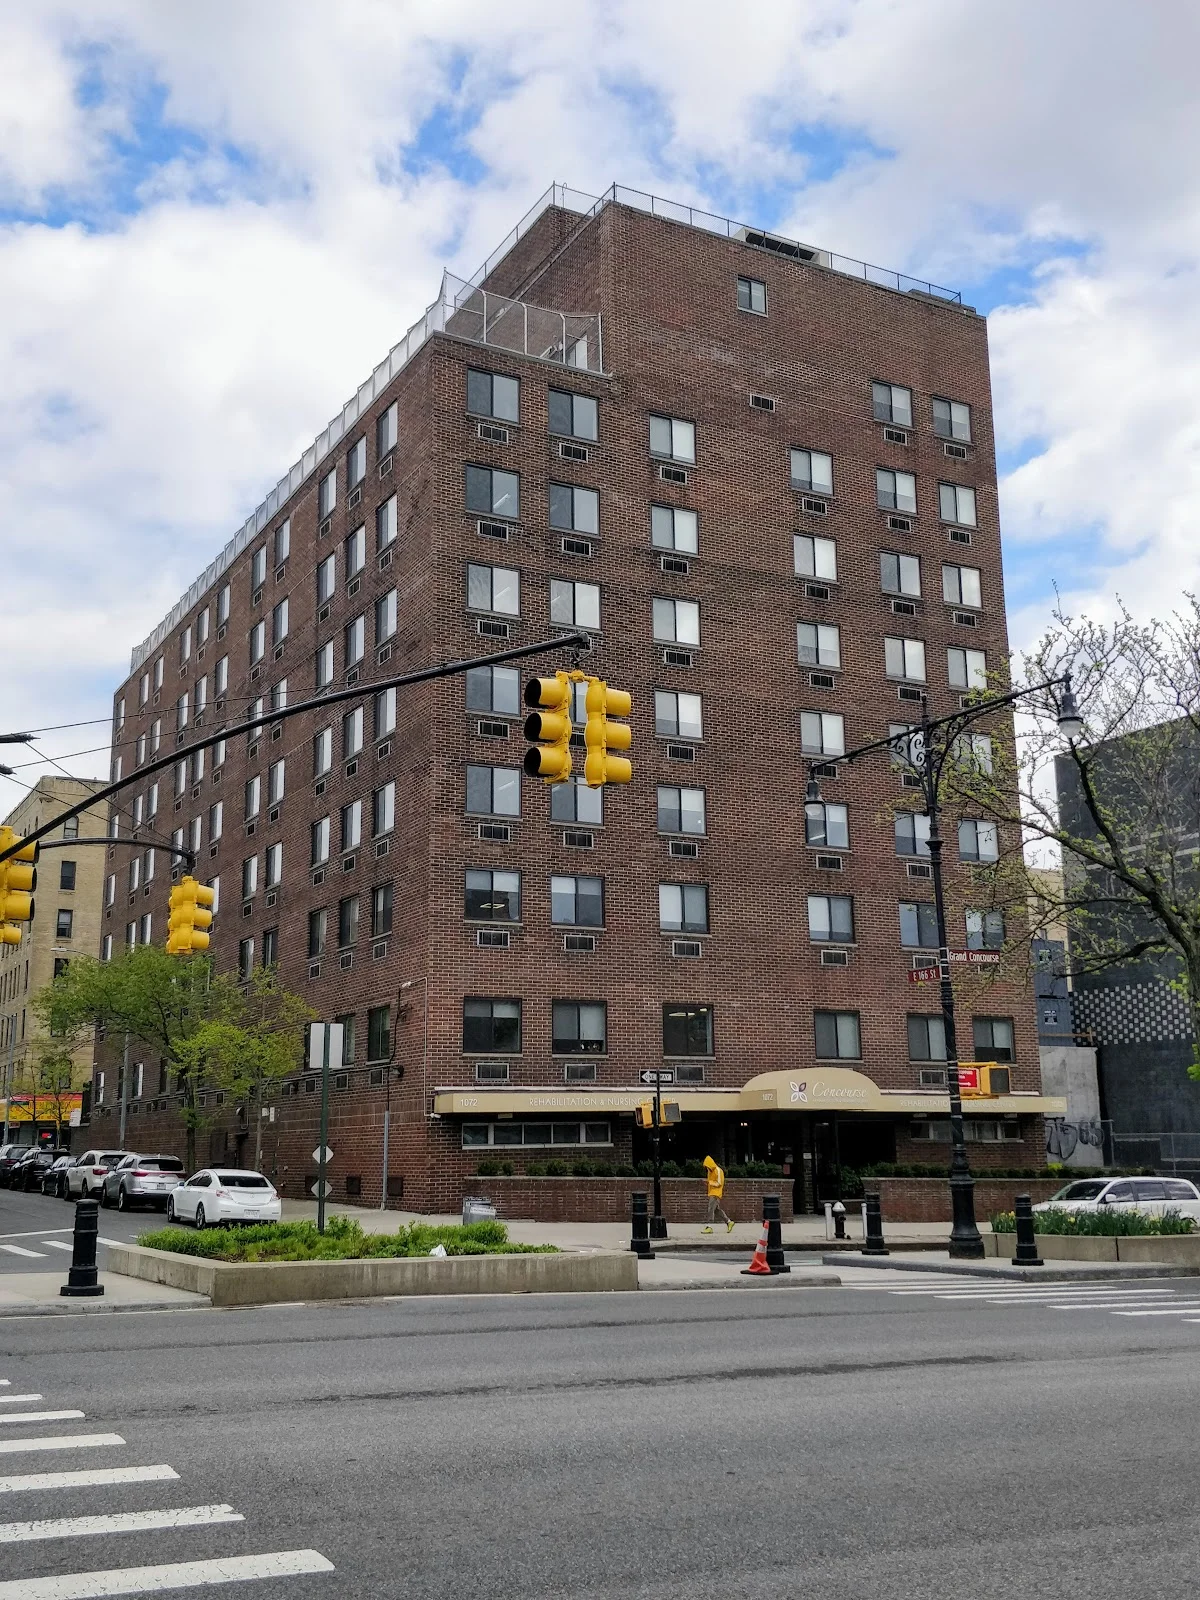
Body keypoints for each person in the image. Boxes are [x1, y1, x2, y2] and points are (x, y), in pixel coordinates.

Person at [701, 1155, 734, 1233]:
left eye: (707, 1166)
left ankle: (709, 1227)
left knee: (711, 1209)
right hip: (712, 1192)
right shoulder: (710, 1171)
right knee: (716, 1210)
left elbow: (719, 1183)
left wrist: (709, 1182)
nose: (707, 1168)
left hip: (716, 1193)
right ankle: (729, 1222)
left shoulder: (718, 1170)